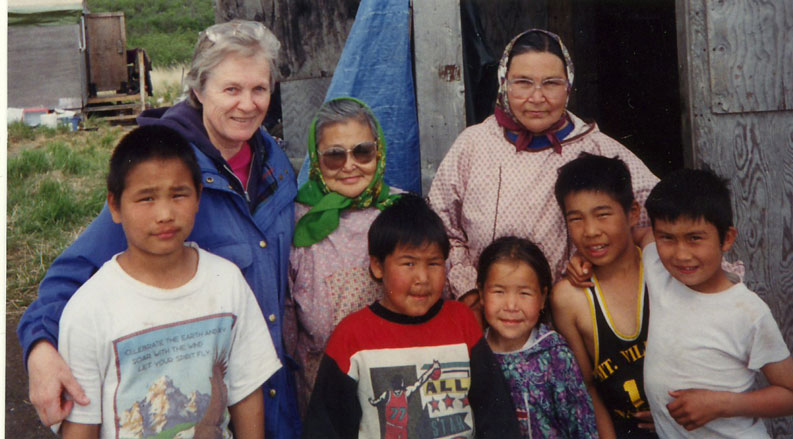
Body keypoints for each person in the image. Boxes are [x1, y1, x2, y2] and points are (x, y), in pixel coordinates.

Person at [16, 20, 301, 439]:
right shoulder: (166, 177)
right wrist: (40, 348)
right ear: (199, 90)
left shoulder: (273, 158)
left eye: (259, 89)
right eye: (231, 89)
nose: (248, 104)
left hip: (272, 397)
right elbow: (72, 273)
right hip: (193, 406)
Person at [57, 125, 279, 439]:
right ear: (115, 206)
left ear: (199, 196)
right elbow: (81, 427)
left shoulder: (226, 281)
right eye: (146, 198)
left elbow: (246, 392)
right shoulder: (89, 310)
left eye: (178, 195)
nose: (164, 214)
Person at [427, 28, 658, 312]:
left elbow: (657, 221)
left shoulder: (597, 149)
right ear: (504, 84)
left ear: (569, 86)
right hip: (488, 314)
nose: (537, 98)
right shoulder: (474, 145)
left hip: (574, 315)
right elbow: (441, 228)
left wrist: (601, 261)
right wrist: (470, 293)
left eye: (551, 83)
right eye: (523, 82)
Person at [302, 195, 520, 439]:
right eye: (408, 264)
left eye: (434, 263)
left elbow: (495, 413)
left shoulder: (462, 321)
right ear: (377, 266)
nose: (423, 278)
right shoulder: (351, 336)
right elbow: (325, 427)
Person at [642, 168, 793, 438]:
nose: (681, 255)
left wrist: (721, 404)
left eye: (695, 238)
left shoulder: (747, 312)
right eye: (667, 238)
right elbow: (635, 236)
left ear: (727, 238)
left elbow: (789, 393)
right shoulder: (656, 266)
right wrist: (581, 263)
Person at [287, 96, 401, 414]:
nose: (350, 165)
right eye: (335, 156)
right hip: (324, 392)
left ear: (378, 151)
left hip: (398, 386)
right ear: (316, 159)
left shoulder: (402, 211)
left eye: (362, 152)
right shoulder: (296, 222)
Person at [551, 153, 658, 439]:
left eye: (603, 214)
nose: (591, 232)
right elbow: (588, 387)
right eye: (576, 219)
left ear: (633, 213)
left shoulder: (659, 265)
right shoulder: (569, 298)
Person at [477, 236, 597, 438]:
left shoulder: (556, 356)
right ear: (481, 294)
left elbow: (581, 425)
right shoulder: (474, 354)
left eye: (524, 293)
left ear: (542, 298)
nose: (511, 306)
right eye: (499, 291)